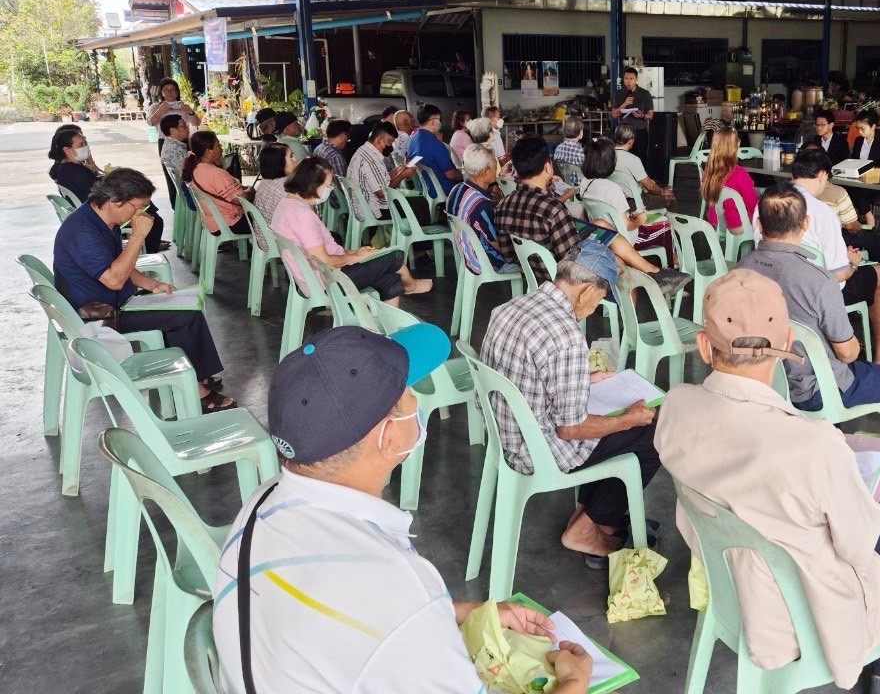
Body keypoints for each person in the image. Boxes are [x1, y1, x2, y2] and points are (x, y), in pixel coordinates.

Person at [655, 270, 880, 694]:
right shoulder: (810, 445)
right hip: (801, 612)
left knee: (869, 496)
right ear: (787, 343)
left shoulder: (675, 406)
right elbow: (859, 546)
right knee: (879, 511)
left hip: (729, 583)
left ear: (702, 345)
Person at [212, 326, 591, 694]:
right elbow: (394, 615)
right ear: (387, 435)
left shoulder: (261, 504)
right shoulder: (398, 589)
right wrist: (574, 682)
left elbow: (362, 623)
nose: (417, 401)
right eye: (409, 392)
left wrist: (467, 612)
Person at [739, 186, 880, 501]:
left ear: (759, 224)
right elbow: (847, 353)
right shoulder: (818, 279)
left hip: (765, 382)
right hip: (814, 388)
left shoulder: (743, 268)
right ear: (805, 224)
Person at [483, 242, 662, 565]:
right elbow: (570, 429)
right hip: (539, 450)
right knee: (650, 431)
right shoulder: (565, 335)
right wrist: (630, 419)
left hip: (507, 434)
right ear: (585, 291)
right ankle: (591, 529)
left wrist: (584, 377)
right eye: (600, 299)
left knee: (622, 423)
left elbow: (527, 371)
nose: (595, 308)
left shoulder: (509, 308)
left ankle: (585, 514)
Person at [53, 168, 233, 411]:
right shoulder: (83, 232)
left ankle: (196, 374)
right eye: (138, 207)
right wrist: (138, 236)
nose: (142, 214)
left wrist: (152, 284)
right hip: (97, 317)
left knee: (186, 305)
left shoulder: (103, 219)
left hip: (112, 301)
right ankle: (195, 391)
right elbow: (115, 279)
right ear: (115, 201)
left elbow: (118, 263)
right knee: (184, 317)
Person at [494, 136, 690, 294]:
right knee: (618, 259)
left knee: (600, 225)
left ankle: (653, 273)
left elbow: (508, 256)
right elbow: (570, 258)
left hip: (533, 273)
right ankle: (650, 279)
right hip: (561, 278)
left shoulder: (502, 206)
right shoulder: (553, 209)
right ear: (547, 166)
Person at [767, 150, 880, 366]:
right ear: (821, 175)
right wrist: (853, 263)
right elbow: (837, 275)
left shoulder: (768, 203)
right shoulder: (822, 211)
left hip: (775, 285)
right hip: (817, 293)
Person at [272, 157, 432, 304]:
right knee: (395, 256)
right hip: (328, 281)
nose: (330, 189)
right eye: (327, 186)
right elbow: (320, 261)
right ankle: (411, 286)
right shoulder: (302, 215)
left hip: (317, 277)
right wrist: (355, 256)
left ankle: (387, 330)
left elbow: (319, 253)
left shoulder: (287, 204)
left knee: (391, 280)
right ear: (312, 185)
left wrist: (352, 253)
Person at [49, 125, 168, 253]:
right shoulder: (75, 172)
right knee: (155, 220)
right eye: (81, 145)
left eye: (86, 143)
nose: (86, 147)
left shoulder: (67, 168)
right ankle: (148, 252)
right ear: (67, 150)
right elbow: (99, 191)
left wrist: (94, 169)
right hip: (99, 212)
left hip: (91, 208)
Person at [579, 135, 674, 265]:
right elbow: (628, 226)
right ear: (609, 162)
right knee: (665, 224)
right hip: (625, 239)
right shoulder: (613, 188)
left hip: (603, 236)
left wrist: (629, 216)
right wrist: (641, 219)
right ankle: (670, 262)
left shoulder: (585, 184)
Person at [798, 142, 880, 268]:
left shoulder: (783, 194)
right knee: (876, 241)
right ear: (823, 172)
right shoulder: (836, 194)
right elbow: (851, 226)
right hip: (836, 243)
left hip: (804, 247)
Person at [446, 143, 518, 275]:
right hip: (486, 261)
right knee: (533, 263)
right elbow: (498, 244)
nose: (497, 170)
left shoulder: (456, 189)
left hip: (465, 252)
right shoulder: (481, 204)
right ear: (484, 172)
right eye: (494, 166)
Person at [183, 130, 253, 236]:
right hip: (229, 222)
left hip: (213, 221)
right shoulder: (215, 173)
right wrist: (251, 190)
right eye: (218, 145)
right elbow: (241, 200)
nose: (221, 148)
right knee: (268, 221)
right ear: (208, 152)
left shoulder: (195, 168)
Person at [348, 121, 420, 221]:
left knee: (414, 202)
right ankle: (418, 236)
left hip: (363, 206)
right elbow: (382, 192)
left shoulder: (364, 150)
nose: (390, 146)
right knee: (420, 204)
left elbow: (378, 179)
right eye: (389, 142)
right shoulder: (371, 159)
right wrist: (402, 175)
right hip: (373, 211)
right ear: (379, 140)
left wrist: (398, 170)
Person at [701, 126, 758, 233]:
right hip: (737, 224)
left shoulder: (709, 170)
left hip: (716, 221)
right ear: (737, 144)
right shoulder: (740, 173)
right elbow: (753, 203)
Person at [406, 103, 461, 202]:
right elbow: (451, 175)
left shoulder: (412, 140)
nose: (440, 123)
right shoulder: (436, 145)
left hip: (425, 188)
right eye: (439, 120)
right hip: (445, 189)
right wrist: (464, 174)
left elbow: (408, 162)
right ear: (433, 121)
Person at [611, 124, 675, 205]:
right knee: (670, 197)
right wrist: (662, 191)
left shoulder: (605, 156)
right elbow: (649, 186)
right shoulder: (633, 159)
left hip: (611, 199)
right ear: (631, 141)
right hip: (632, 202)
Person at [249, 143, 296, 247]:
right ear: (279, 163)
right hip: (279, 243)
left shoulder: (266, 181)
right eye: (291, 157)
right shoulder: (286, 188)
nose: (295, 160)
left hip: (264, 238)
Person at [610, 67, 653, 164]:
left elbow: (650, 115)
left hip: (639, 132)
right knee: (623, 160)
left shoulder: (645, 94)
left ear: (636, 79)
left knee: (640, 159)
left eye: (631, 79)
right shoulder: (618, 94)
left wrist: (642, 116)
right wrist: (624, 104)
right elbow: (614, 115)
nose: (628, 81)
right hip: (623, 133)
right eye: (626, 78)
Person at [146, 76, 199, 155]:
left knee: (187, 166)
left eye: (172, 90)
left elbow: (196, 123)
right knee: (168, 166)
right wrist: (160, 111)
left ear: (177, 92)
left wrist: (189, 111)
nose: (169, 92)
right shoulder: (155, 107)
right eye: (166, 90)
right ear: (162, 92)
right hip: (164, 140)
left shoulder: (184, 106)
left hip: (183, 140)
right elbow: (150, 123)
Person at [158, 113, 191, 203]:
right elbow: (187, 175)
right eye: (184, 126)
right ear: (173, 130)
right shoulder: (174, 149)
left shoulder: (173, 144)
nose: (187, 129)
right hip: (189, 193)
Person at [553, 115, 586, 185]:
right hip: (579, 187)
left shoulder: (558, 148)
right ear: (580, 133)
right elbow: (588, 171)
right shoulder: (581, 151)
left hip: (563, 185)